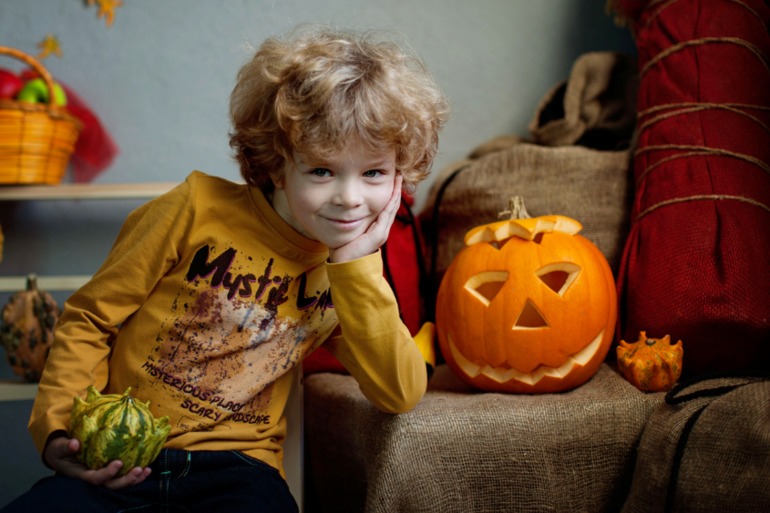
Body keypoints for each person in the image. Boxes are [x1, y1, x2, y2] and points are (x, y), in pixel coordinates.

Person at [2, 24, 448, 513]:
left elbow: (400, 391)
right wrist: (60, 428)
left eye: (374, 173)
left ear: (399, 174)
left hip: (240, 473)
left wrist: (355, 268)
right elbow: (90, 319)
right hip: (123, 460)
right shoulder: (194, 208)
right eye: (321, 170)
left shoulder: (351, 273)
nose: (349, 198)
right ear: (278, 164)